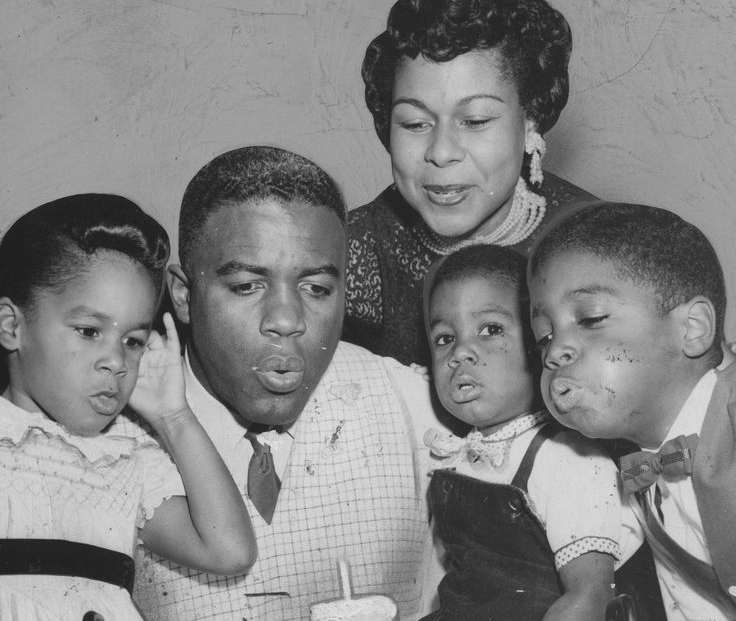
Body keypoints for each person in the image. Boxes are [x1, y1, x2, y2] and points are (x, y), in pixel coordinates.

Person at [118, 146, 438, 621]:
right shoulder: (109, 439)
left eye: (317, 289)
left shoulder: (415, 408)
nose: (287, 320)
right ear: (184, 295)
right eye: (247, 285)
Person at [0, 194, 256, 620]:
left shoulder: (124, 458)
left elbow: (229, 551)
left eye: (133, 341)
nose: (116, 361)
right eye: (88, 331)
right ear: (12, 325)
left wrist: (174, 417)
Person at [345, 0, 597, 367]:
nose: (442, 152)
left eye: (475, 121)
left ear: (530, 121)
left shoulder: (596, 244)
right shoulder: (353, 248)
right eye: (415, 124)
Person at [528, 202, 736, 620]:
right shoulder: (637, 464)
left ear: (692, 329)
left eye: (590, 318)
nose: (555, 351)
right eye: (543, 335)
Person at [420, 244, 641, 620]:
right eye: (444, 338)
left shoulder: (568, 459)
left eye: (490, 330)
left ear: (540, 345)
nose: (460, 353)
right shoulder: (458, 460)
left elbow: (589, 599)